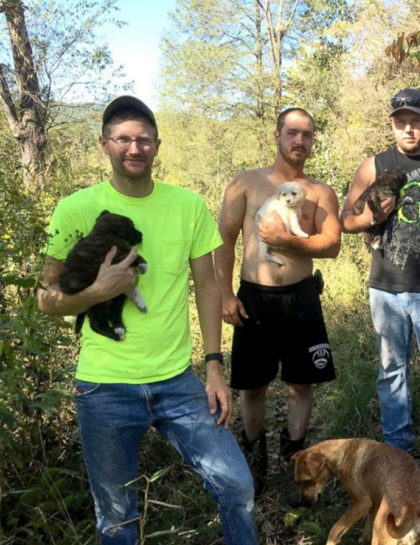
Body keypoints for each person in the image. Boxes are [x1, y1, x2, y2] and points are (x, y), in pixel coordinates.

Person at [37, 96, 258, 544]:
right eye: (122, 139)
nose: (133, 148)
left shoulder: (187, 205)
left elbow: (208, 287)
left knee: (237, 485)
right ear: (104, 144)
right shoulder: (75, 209)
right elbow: (45, 298)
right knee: (117, 519)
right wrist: (98, 292)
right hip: (104, 387)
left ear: (158, 145)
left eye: (143, 140)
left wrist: (214, 367)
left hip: (178, 380)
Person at [215, 107, 340, 495]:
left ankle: (295, 462)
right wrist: (225, 294)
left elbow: (332, 244)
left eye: (307, 134)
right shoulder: (245, 183)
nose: (299, 140)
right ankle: (255, 459)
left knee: (301, 385)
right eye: (292, 132)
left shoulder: (319, 192)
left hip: (302, 298)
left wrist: (287, 240)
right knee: (252, 387)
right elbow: (223, 240)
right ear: (277, 136)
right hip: (255, 298)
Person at [339, 88, 420, 473]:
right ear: (392, 124)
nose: (409, 128)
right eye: (401, 122)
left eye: (416, 120)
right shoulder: (373, 165)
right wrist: (369, 219)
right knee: (391, 372)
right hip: (386, 287)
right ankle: (397, 453)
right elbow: (346, 220)